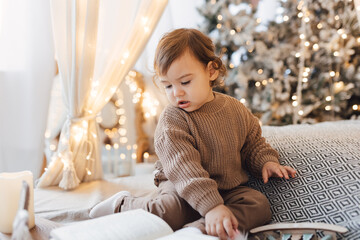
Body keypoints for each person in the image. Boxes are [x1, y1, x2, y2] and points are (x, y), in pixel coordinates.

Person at [90, 28, 296, 240]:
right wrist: (212, 206)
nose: (176, 92)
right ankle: (123, 205)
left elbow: (253, 143)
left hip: (226, 188)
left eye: (185, 82)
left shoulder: (235, 109)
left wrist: (266, 162)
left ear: (211, 71)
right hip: (181, 185)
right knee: (169, 212)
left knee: (258, 204)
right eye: (168, 85)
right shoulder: (173, 119)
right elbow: (185, 169)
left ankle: (198, 231)